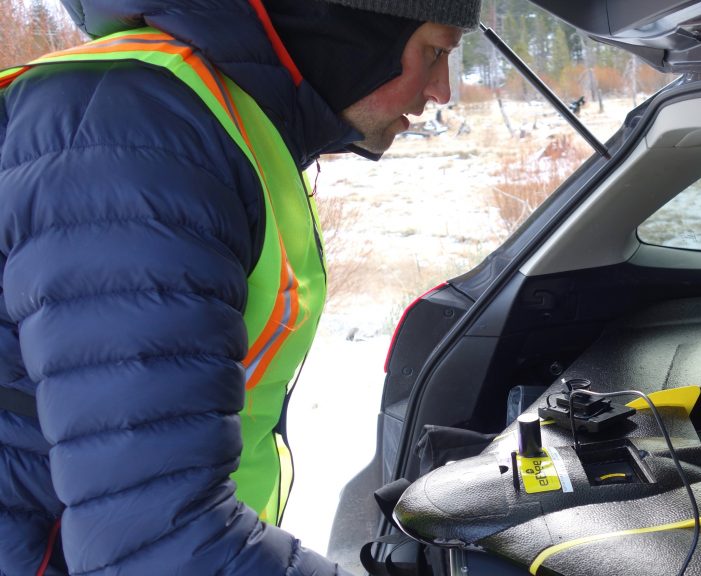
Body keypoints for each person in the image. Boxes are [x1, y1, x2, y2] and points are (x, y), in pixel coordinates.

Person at [0, 0, 479, 574]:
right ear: (356, 30)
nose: (441, 90)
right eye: (435, 52)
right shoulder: (136, 138)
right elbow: (158, 542)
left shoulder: (211, 117)